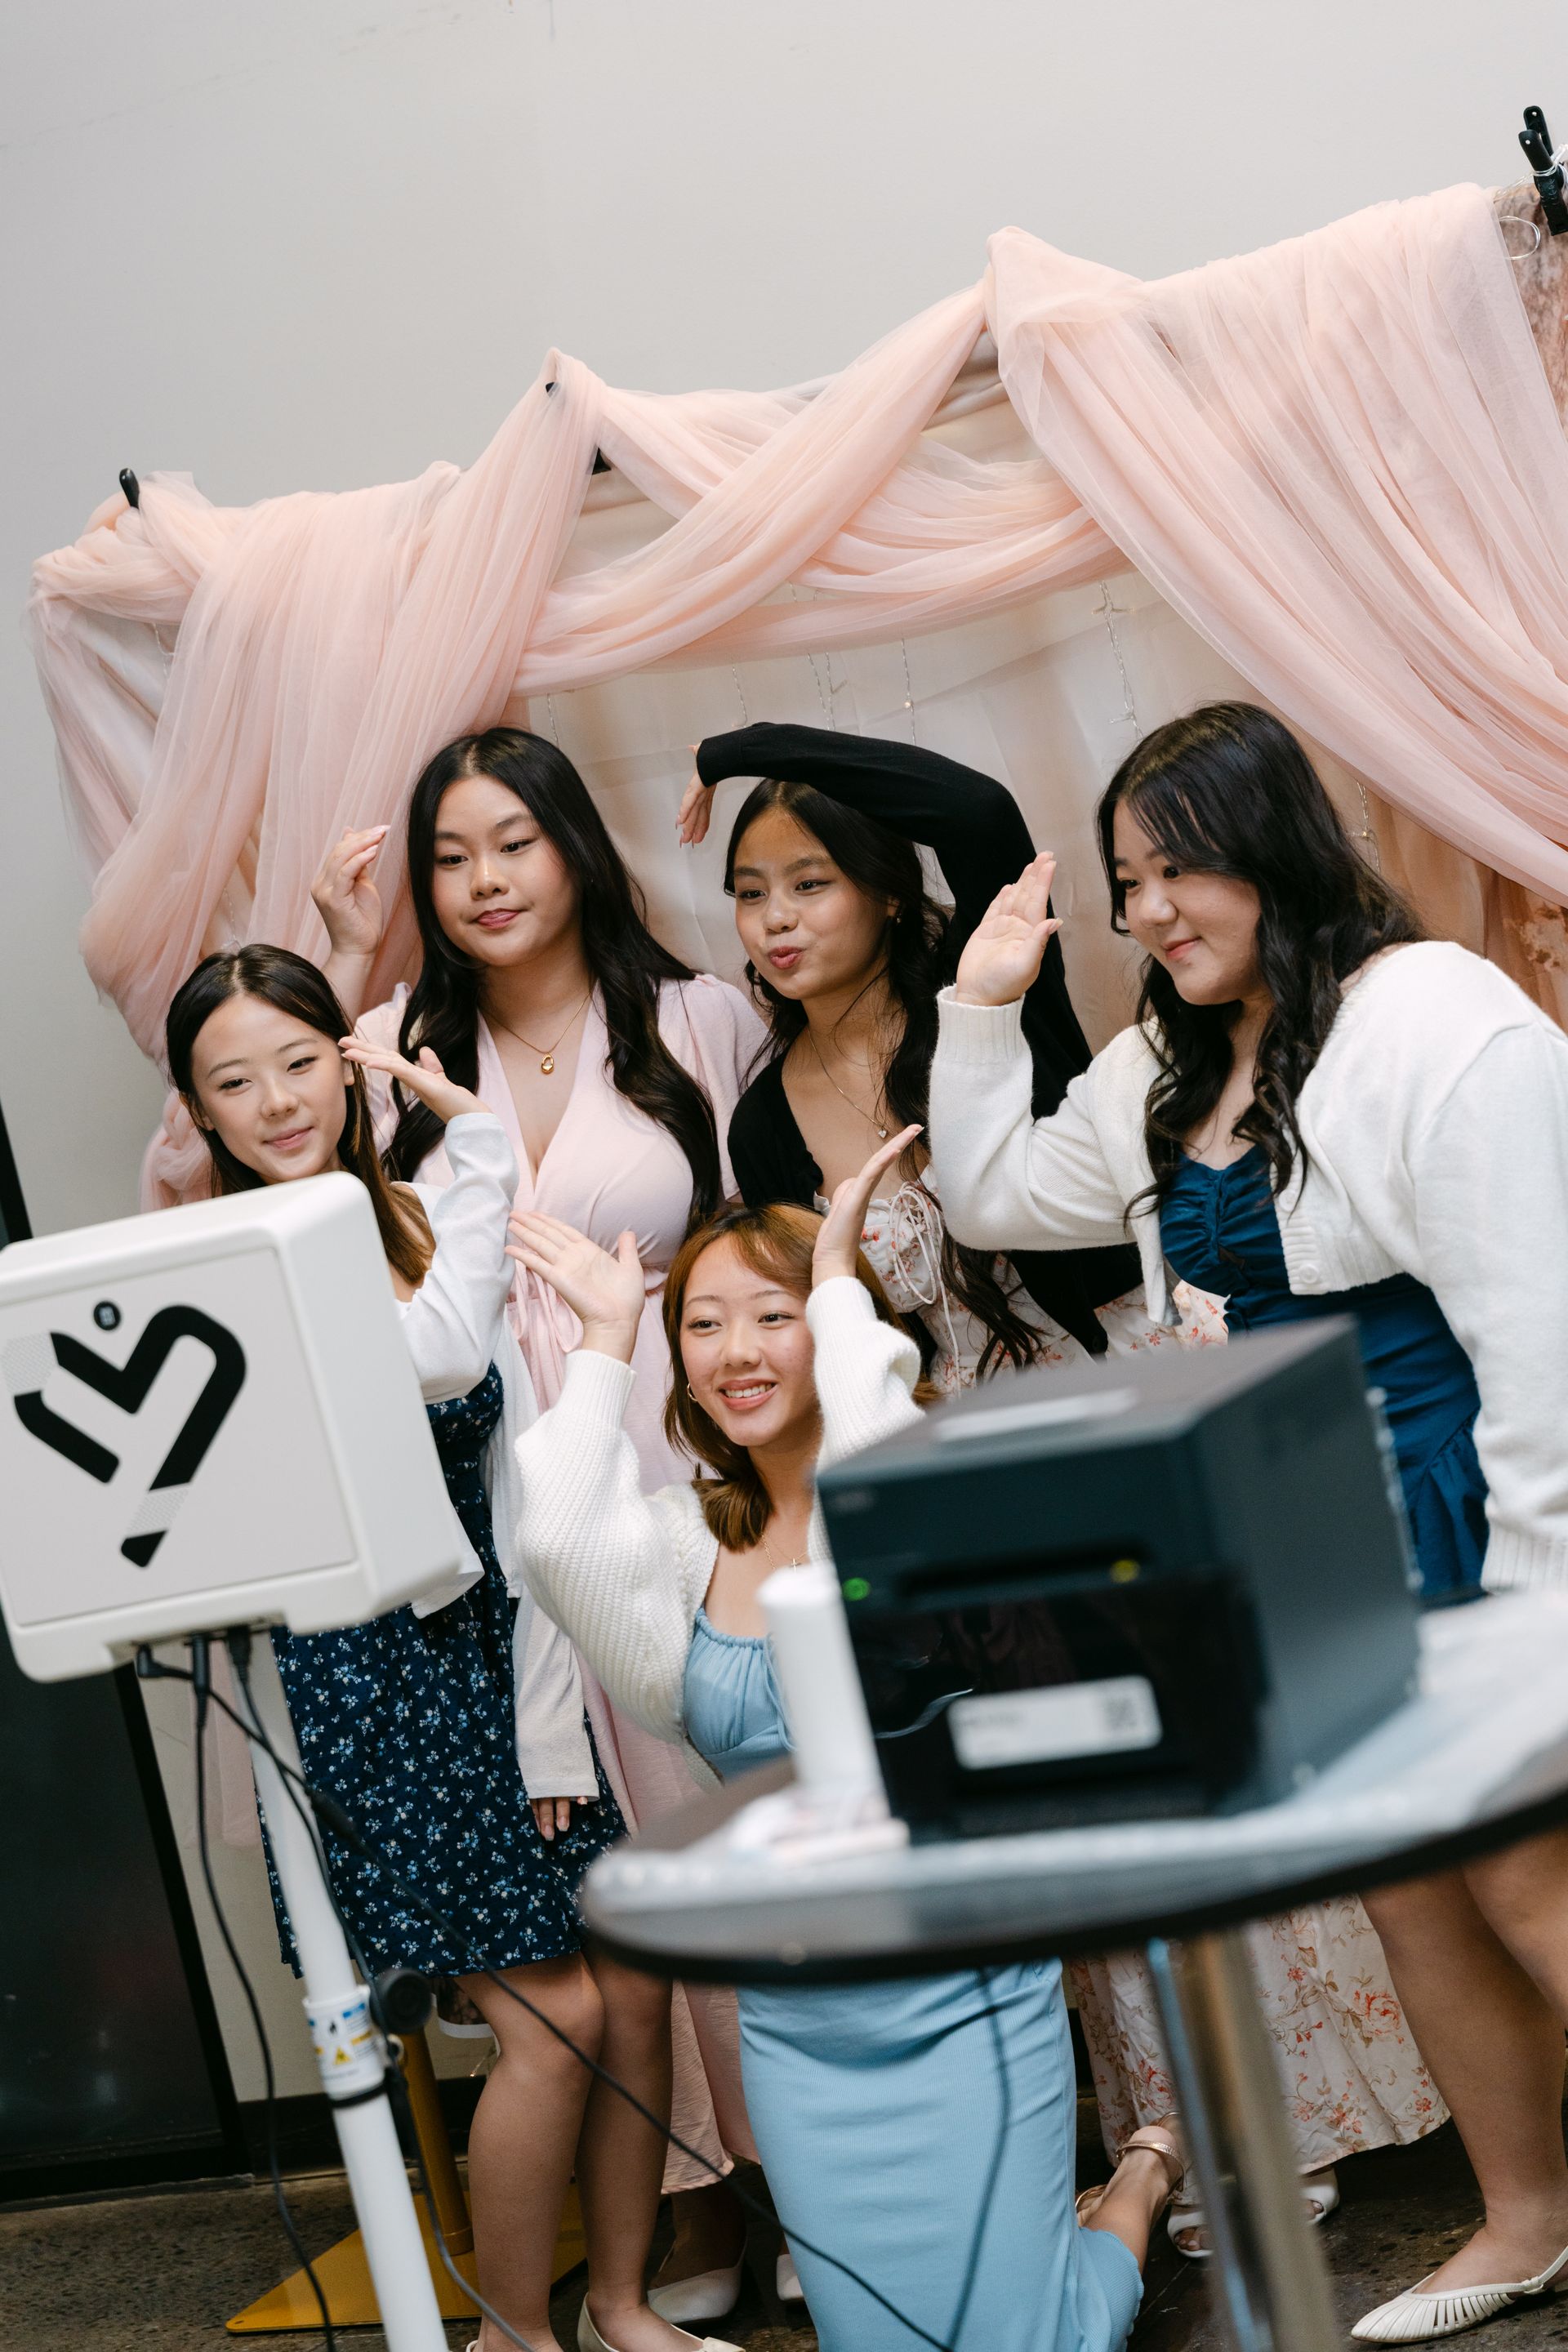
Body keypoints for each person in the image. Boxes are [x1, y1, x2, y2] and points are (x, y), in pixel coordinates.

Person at [925, 700, 1568, 2334]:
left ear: (1267, 846)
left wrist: (1539, 1606)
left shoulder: (1433, 1016)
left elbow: (1542, 1332)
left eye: (1174, 873)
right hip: (1300, 1548)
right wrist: (983, 1007)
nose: (1147, 915)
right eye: (1126, 883)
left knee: (1526, 1885)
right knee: (1418, 1892)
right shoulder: (1162, 1060)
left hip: (1464, 1515)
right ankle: (1526, 2220)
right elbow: (998, 1198)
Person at [507, 1129, 1185, 2352]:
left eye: (769, 1317)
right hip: (801, 2003)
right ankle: (1128, 2186)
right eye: (702, 1327)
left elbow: (885, 1514)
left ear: (832, 1326)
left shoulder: (921, 1481)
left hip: (966, 1964)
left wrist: (835, 1278)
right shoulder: (676, 1546)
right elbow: (554, 1546)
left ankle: (1135, 2181)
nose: (734, 1354)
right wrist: (604, 1344)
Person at [166, 945, 729, 2352]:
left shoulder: (411, 1216)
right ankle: (510, 2339)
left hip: (496, 1648)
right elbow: (423, 1362)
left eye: (299, 1060)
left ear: (345, 1065)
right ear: (200, 1110)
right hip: (365, 1686)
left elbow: (504, 1469)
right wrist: (482, 1150)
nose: (278, 1100)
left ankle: (615, 2306)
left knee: (621, 1991)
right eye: (234, 1082)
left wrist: (546, 1699)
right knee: (551, 2018)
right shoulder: (229, 1265)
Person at [313, 728, 766, 2306]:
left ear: (575, 845)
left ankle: (807, 2150)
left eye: (514, 840)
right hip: (508, 1488)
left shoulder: (699, 1017)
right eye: (451, 855)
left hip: (688, 1452)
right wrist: (326, 952)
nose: (486, 879)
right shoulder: (389, 1042)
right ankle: (700, 2193)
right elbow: (296, 1212)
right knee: (612, 1842)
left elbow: (756, 1249)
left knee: (740, 1785)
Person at [678, 722, 1153, 1392]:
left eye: (809, 884)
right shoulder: (762, 1124)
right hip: (953, 1430)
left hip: (1137, 1370)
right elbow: (821, 1326)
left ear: (890, 893)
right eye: (751, 893)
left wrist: (738, 752)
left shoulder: (984, 988)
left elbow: (978, 811)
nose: (775, 918)